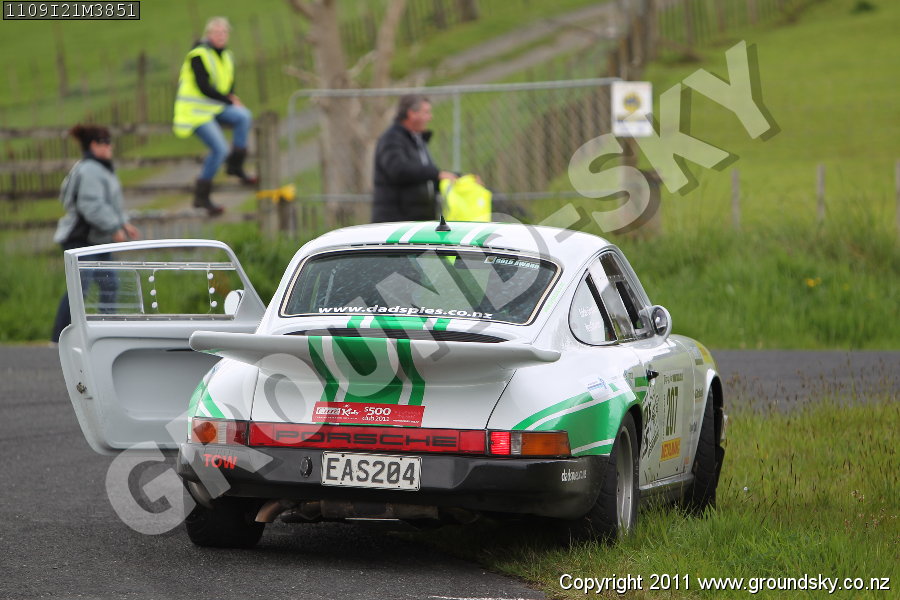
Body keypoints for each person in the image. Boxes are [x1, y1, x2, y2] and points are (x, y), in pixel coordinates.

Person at [51, 125, 140, 343]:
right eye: (105, 142)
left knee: (110, 285)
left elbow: (109, 203)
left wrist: (123, 223)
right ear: (93, 145)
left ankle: (105, 334)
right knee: (80, 289)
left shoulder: (100, 168)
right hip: (81, 239)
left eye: (110, 141)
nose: (110, 146)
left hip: (97, 239)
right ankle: (60, 338)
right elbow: (92, 206)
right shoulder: (90, 170)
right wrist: (114, 228)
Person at [173, 16, 256, 216]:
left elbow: (228, 85)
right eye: (216, 32)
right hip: (195, 112)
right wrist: (228, 100)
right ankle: (202, 196)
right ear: (208, 34)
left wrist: (232, 99)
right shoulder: (198, 55)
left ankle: (235, 166)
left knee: (244, 116)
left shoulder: (227, 56)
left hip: (214, 108)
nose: (220, 36)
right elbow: (204, 87)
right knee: (220, 149)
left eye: (224, 32)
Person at [372, 94, 458, 223]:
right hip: (396, 223)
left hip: (419, 220)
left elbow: (427, 177)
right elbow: (399, 170)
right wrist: (436, 174)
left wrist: (460, 177)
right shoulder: (392, 139)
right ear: (412, 114)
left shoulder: (418, 141)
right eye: (426, 112)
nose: (430, 117)